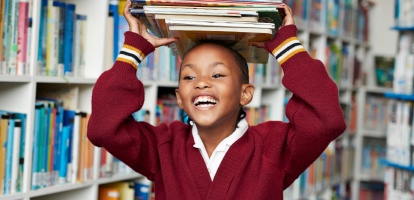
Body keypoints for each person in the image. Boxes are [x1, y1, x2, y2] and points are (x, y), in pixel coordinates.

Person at [87, 1, 347, 199]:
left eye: (217, 74)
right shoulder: (162, 147)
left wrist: (286, 47)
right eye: (189, 77)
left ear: (245, 94)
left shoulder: (274, 148)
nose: (201, 82)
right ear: (179, 98)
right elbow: (104, 128)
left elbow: (326, 120)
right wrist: (133, 50)